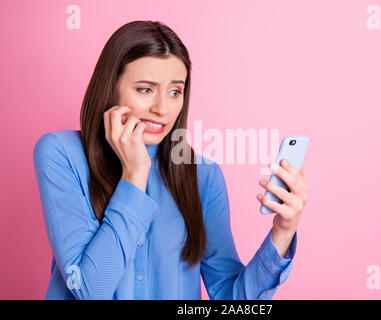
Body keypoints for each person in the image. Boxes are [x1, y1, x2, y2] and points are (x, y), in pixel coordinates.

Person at [32, 20, 308, 300]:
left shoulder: (203, 175)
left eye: (175, 91)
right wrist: (135, 174)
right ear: (110, 87)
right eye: (145, 89)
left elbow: (230, 298)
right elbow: (89, 290)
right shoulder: (61, 153)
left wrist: (283, 231)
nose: (162, 108)